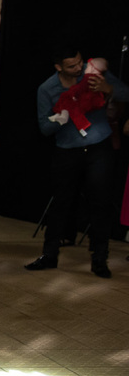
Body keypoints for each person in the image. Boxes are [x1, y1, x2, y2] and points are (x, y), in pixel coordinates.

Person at [26, 48, 129, 278]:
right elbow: (44, 127)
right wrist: (62, 117)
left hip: (98, 147)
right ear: (58, 67)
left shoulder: (93, 75)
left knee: (100, 203)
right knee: (60, 203)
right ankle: (49, 255)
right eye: (72, 65)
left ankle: (100, 259)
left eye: (80, 62)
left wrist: (108, 89)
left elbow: (126, 92)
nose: (79, 68)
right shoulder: (47, 89)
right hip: (67, 150)